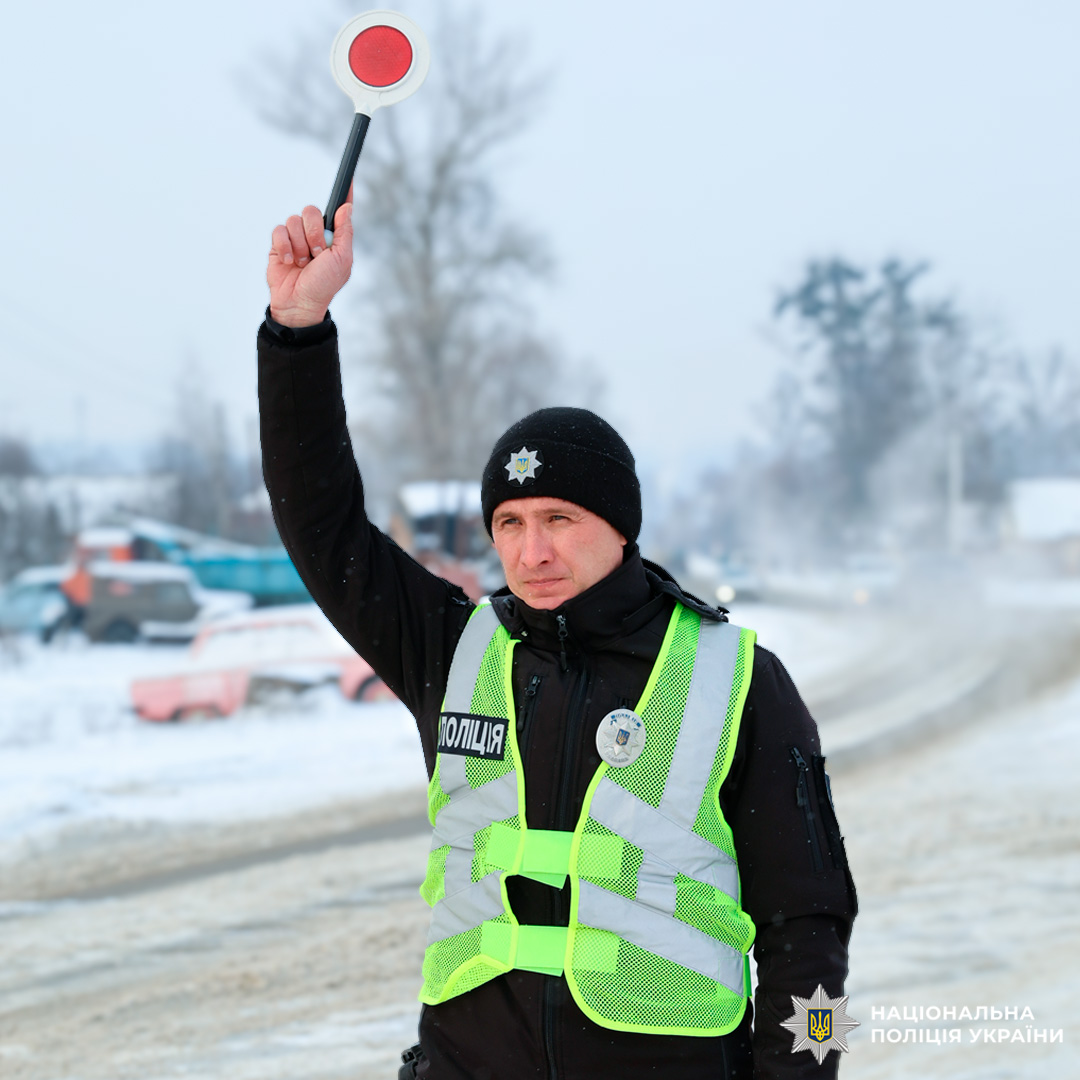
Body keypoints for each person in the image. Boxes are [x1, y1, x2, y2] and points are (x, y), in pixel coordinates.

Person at [258, 196, 857, 1079]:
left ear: (620, 526)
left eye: (559, 518)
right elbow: (324, 524)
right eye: (509, 522)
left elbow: (811, 933)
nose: (531, 551)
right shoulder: (455, 651)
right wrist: (298, 328)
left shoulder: (737, 679)